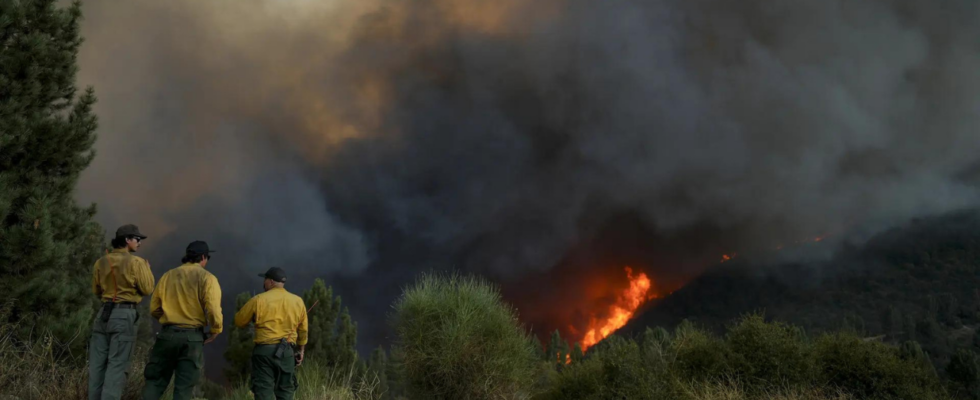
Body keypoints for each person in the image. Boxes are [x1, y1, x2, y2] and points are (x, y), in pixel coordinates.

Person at [142, 241, 222, 400]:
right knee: (184, 387)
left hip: (166, 336)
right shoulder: (208, 278)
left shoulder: (168, 275)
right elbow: (212, 309)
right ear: (203, 258)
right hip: (192, 339)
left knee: (154, 382)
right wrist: (215, 330)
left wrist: (168, 320)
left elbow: (154, 308)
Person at [89, 224, 154, 400]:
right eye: (137, 239)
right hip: (124, 315)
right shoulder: (137, 263)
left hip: (103, 314)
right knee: (117, 366)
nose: (139, 243)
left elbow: (96, 291)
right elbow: (147, 289)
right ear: (127, 240)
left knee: (97, 366)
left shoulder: (101, 261)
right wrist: (147, 270)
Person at [234, 267, 309, 400]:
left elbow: (239, 321)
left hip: (264, 353)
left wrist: (253, 318)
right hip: (287, 354)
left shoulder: (258, 299)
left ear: (272, 282)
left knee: (263, 392)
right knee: (286, 392)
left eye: (265, 279)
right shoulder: (298, 301)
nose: (264, 282)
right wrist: (301, 351)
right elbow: (303, 331)